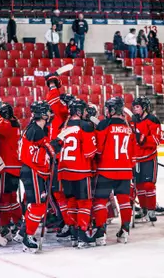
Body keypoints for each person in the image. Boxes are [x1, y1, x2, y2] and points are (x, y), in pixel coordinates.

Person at [18, 100, 63, 253]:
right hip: (32, 171)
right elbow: (39, 154)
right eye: (48, 112)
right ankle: (28, 237)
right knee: (38, 205)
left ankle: (25, 232)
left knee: (36, 204)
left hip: (32, 171)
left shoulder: (36, 129)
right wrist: (55, 145)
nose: (50, 114)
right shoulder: (35, 130)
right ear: (43, 114)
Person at [93, 97, 136, 245]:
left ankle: (100, 233)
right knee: (124, 200)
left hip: (106, 169)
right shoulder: (128, 126)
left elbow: (98, 148)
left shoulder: (105, 124)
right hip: (125, 169)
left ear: (112, 110)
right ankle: (124, 231)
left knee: (100, 200)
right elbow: (132, 151)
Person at [58, 99, 97, 248]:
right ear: (80, 112)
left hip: (64, 171)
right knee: (84, 203)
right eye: (85, 110)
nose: (87, 113)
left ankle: (74, 234)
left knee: (71, 202)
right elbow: (90, 153)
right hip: (80, 171)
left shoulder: (65, 127)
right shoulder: (85, 126)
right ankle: (82, 234)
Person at [44, 73, 75, 242]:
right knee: (56, 193)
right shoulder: (60, 117)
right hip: (56, 160)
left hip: (62, 161)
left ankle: (69, 223)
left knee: (61, 193)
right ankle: (64, 220)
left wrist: (53, 85)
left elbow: (54, 102)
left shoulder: (63, 115)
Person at [0, 100, 23, 240]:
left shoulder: (8, 125)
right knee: (12, 197)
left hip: (8, 166)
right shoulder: (14, 123)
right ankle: (17, 221)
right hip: (13, 166)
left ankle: (6, 224)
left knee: (4, 198)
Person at [130, 96, 164, 223]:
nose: (135, 109)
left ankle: (151, 209)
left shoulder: (153, 120)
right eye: (134, 107)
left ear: (144, 108)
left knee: (149, 185)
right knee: (139, 186)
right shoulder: (132, 121)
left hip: (149, 157)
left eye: (137, 107)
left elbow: (157, 139)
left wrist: (143, 139)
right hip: (137, 159)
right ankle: (144, 210)